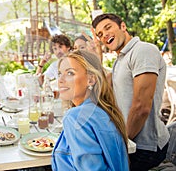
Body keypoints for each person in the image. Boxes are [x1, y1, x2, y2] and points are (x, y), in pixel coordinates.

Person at [92, 13, 170, 171]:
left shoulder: (143, 50)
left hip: (145, 147)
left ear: (123, 26)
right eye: (100, 34)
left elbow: (141, 107)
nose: (104, 35)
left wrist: (121, 144)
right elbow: (100, 89)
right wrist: (97, 55)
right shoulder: (120, 59)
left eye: (108, 28)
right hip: (131, 141)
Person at [52, 50, 129, 170]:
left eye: (70, 73)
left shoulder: (75, 117)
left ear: (91, 80)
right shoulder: (103, 110)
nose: (60, 80)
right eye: (59, 74)